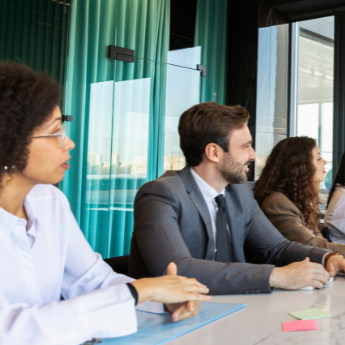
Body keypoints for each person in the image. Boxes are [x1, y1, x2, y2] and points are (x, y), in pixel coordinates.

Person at [0, 62, 211, 345]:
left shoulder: (49, 200)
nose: (69, 143)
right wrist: (141, 292)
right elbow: (11, 330)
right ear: (8, 141)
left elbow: (92, 279)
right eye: (54, 133)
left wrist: (161, 298)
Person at [129, 103, 345, 295]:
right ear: (214, 152)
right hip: (171, 320)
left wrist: (329, 257)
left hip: (234, 307)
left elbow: (277, 247)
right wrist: (275, 276)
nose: (253, 155)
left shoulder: (239, 191)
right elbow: (177, 269)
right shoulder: (160, 194)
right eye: (245, 146)